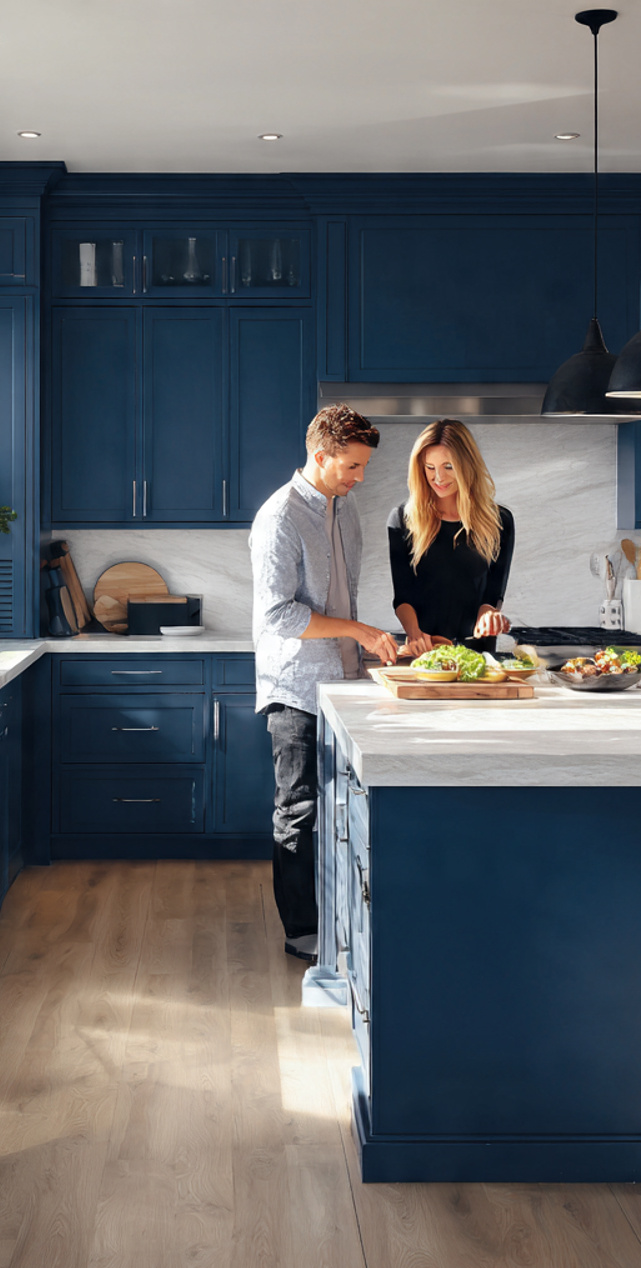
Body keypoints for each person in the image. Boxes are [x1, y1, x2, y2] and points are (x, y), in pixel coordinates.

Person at [250, 404, 398, 964]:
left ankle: (340, 922)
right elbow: (278, 616)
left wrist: (366, 648)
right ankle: (302, 932)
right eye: (352, 466)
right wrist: (359, 630)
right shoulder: (280, 518)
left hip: (343, 679)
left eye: (362, 466)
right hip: (296, 688)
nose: (360, 477)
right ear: (321, 456)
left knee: (342, 809)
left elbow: (343, 596)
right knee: (300, 809)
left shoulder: (346, 507)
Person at [388, 419, 515, 657]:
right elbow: (403, 595)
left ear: (467, 465)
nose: (438, 477)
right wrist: (414, 634)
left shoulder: (499, 521)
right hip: (425, 650)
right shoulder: (402, 519)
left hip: (478, 653)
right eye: (430, 467)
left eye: (448, 466)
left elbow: (493, 593)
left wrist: (488, 616)